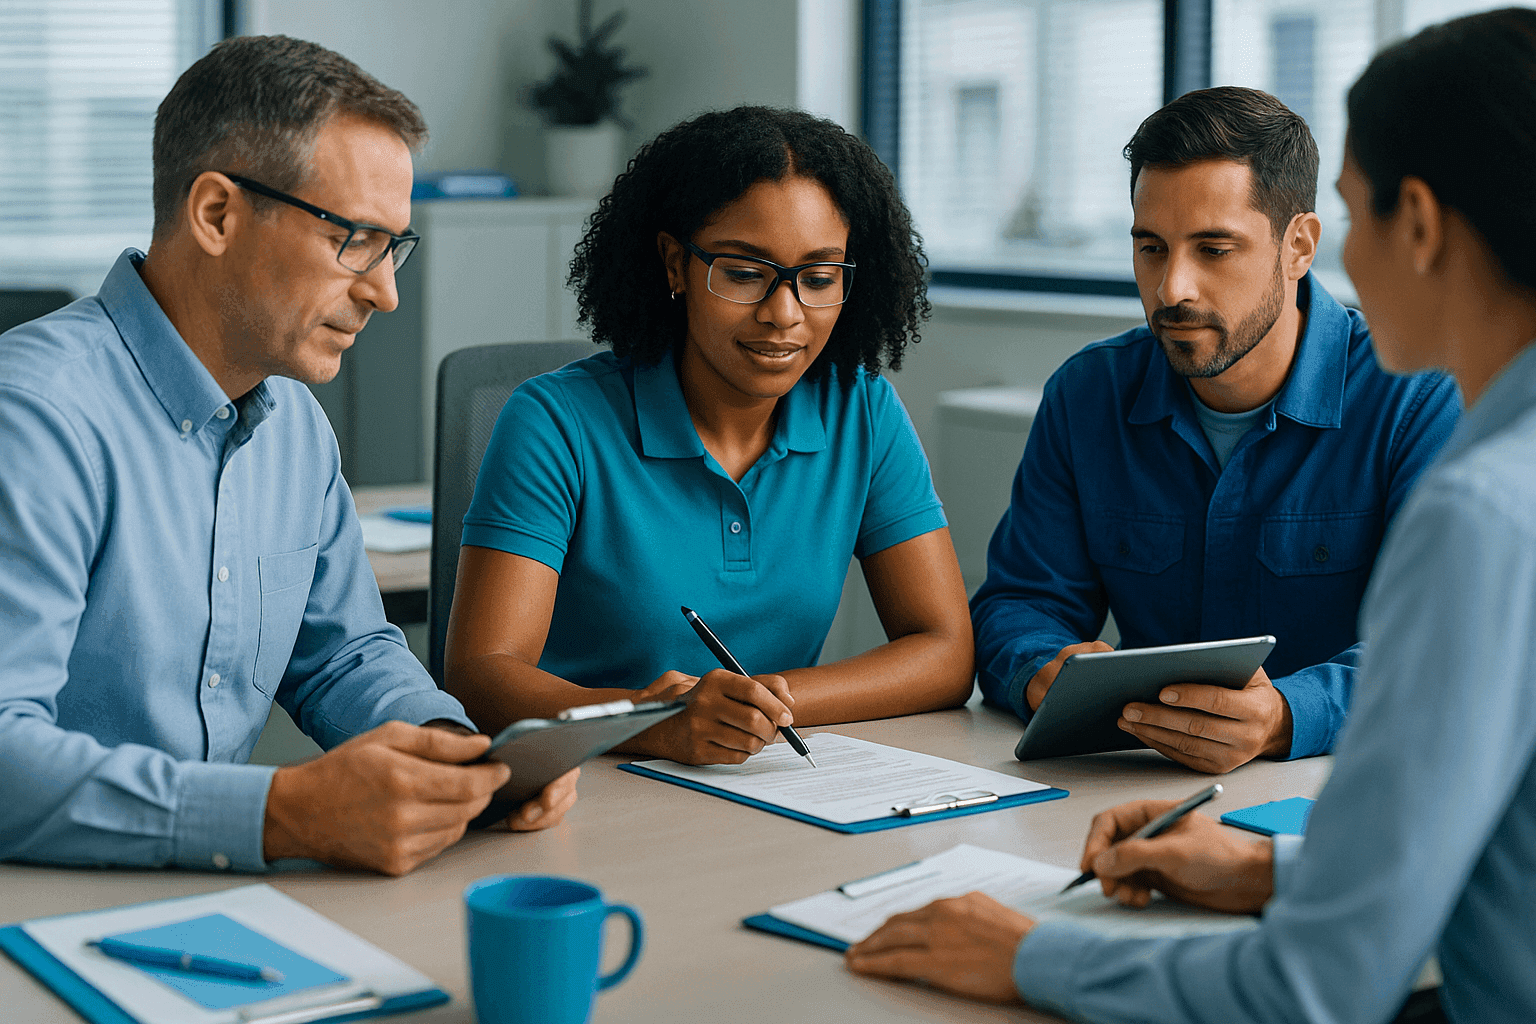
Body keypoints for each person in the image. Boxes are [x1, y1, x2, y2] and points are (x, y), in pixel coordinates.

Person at [847, 8, 1536, 1023]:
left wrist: (1032, 956)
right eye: (1151, 247)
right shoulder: (1507, 469)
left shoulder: (1484, 504)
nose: (1172, 287)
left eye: (1350, 212)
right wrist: (1268, 871)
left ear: (1414, 225)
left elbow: (1311, 988)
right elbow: (1480, 843)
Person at [0, 35, 577, 877]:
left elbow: (343, 655)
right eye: (356, 240)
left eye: (395, 248)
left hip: (209, 891)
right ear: (217, 214)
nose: (385, 292)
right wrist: (283, 813)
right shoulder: (37, 417)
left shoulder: (295, 426)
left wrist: (454, 753)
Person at [444, 106, 974, 766]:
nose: (784, 315)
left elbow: (945, 653)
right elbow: (483, 675)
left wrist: (761, 704)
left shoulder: (862, 411)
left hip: (759, 784)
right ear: (674, 264)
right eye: (746, 273)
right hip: (582, 785)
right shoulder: (556, 421)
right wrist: (652, 722)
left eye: (818, 278)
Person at [970, 85, 1459, 773]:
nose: (1173, 289)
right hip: (1128, 781)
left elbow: (1442, 646)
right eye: (1151, 248)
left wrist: (1286, 715)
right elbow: (1018, 603)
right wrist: (1041, 666)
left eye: (1213, 249)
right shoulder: (1088, 395)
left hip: (1334, 792)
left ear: (1299, 246)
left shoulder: (1414, 400)